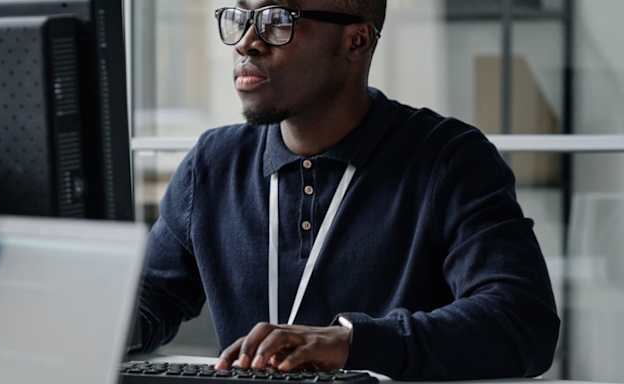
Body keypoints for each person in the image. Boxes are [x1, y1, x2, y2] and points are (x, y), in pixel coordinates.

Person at [130, 0, 560, 380]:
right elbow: (147, 304)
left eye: (278, 20)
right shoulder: (213, 163)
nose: (247, 41)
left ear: (355, 41)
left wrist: (352, 343)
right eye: (240, 17)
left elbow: (522, 320)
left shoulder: (449, 160)